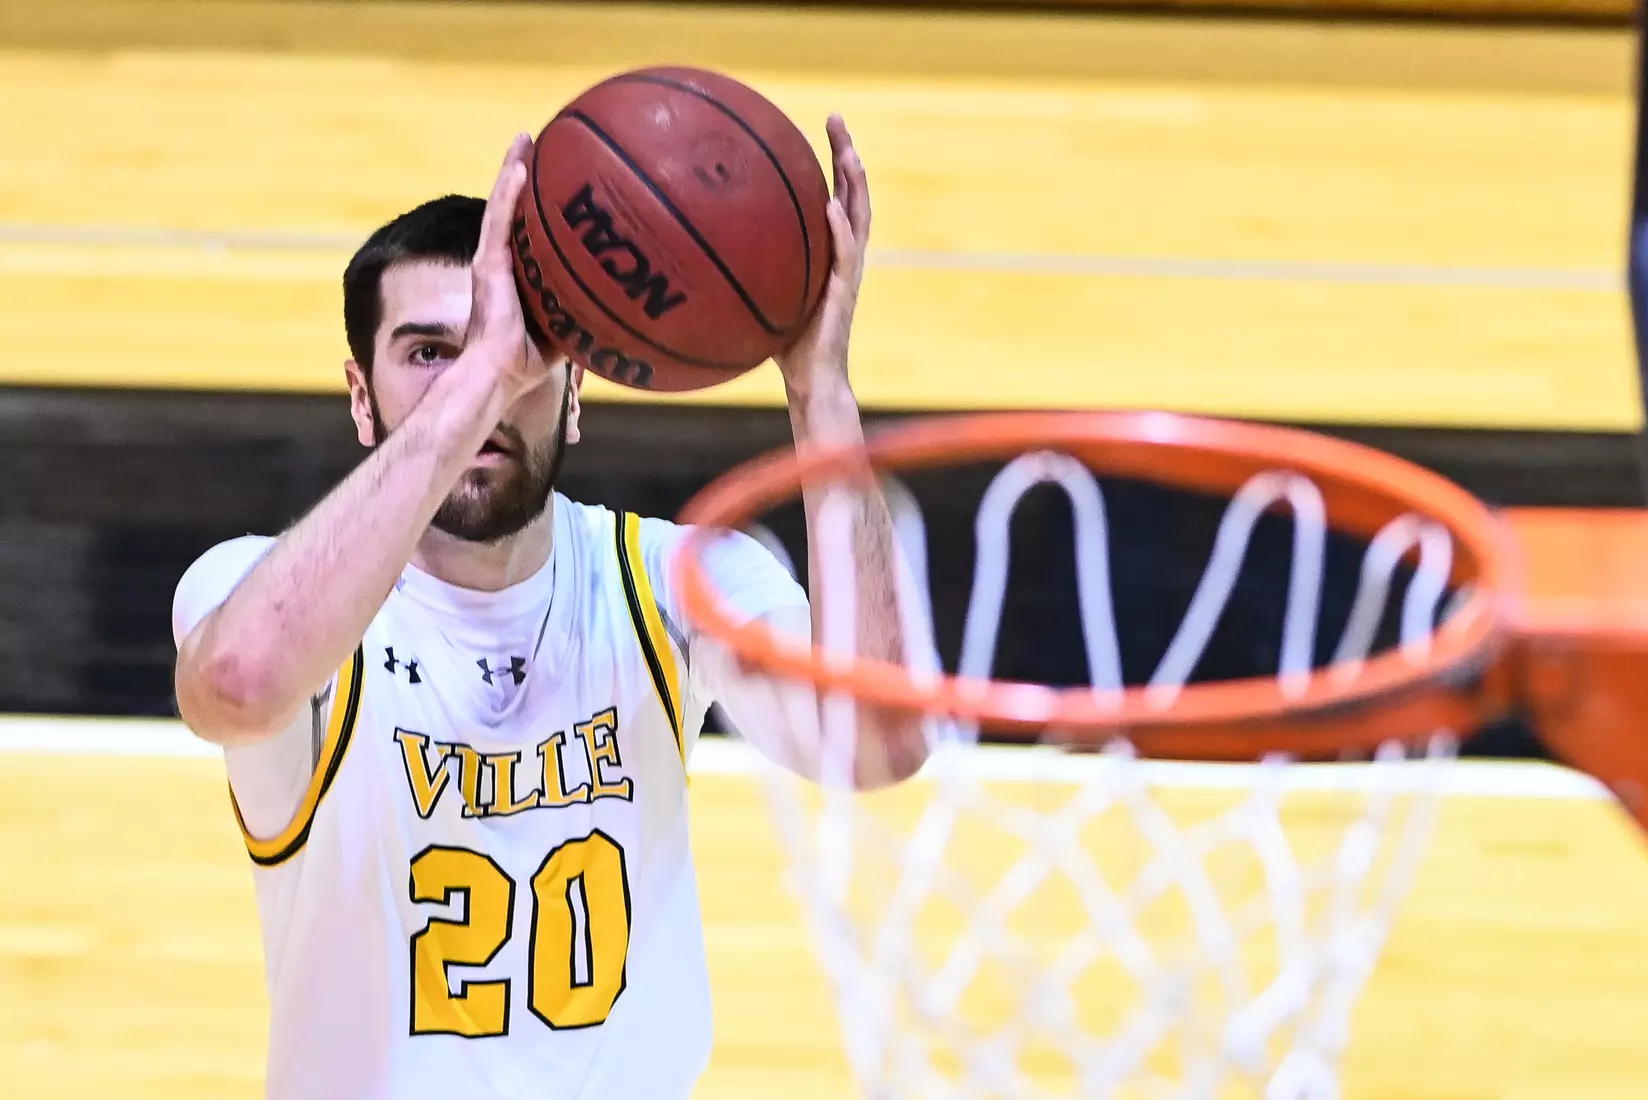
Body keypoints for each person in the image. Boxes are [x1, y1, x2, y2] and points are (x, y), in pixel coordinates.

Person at [170, 116, 923, 1100]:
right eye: (431, 352)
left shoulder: (671, 581)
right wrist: (487, 372)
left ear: (574, 394)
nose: (484, 388)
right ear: (362, 398)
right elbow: (237, 685)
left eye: (518, 354)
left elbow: (876, 743)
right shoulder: (260, 587)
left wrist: (821, 390)